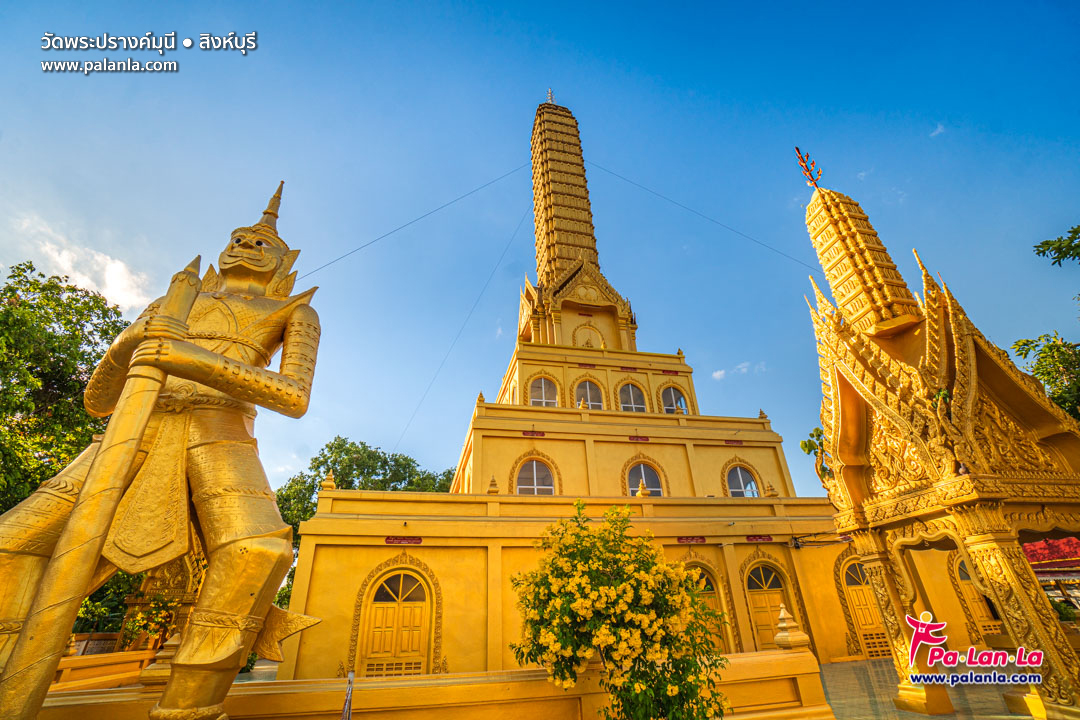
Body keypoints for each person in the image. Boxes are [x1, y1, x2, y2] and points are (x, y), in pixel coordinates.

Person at [0, 183, 320, 720]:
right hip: (134, 430)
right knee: (12, 543)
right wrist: (130, 343)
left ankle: (188, 706)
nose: (245, 244)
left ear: (282, 261)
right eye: (238, 237)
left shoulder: (295, 313)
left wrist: (185, 356)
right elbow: (98, 398)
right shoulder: (176, 302)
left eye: (260, 244)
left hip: (219, 432)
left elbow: (293, 396)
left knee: (258, 552)